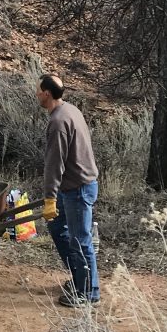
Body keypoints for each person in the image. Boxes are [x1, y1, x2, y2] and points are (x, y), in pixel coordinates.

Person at [37, 73, 100, 307]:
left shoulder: (58, 122)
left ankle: (88, 292)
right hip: (73, 186)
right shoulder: (70, 110)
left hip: (78, 189)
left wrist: (49, 198)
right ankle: (79, 278)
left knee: (80, 240)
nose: (36, 94)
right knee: (57, 227)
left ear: (46, 94)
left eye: (38, 91)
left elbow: (54, 164)